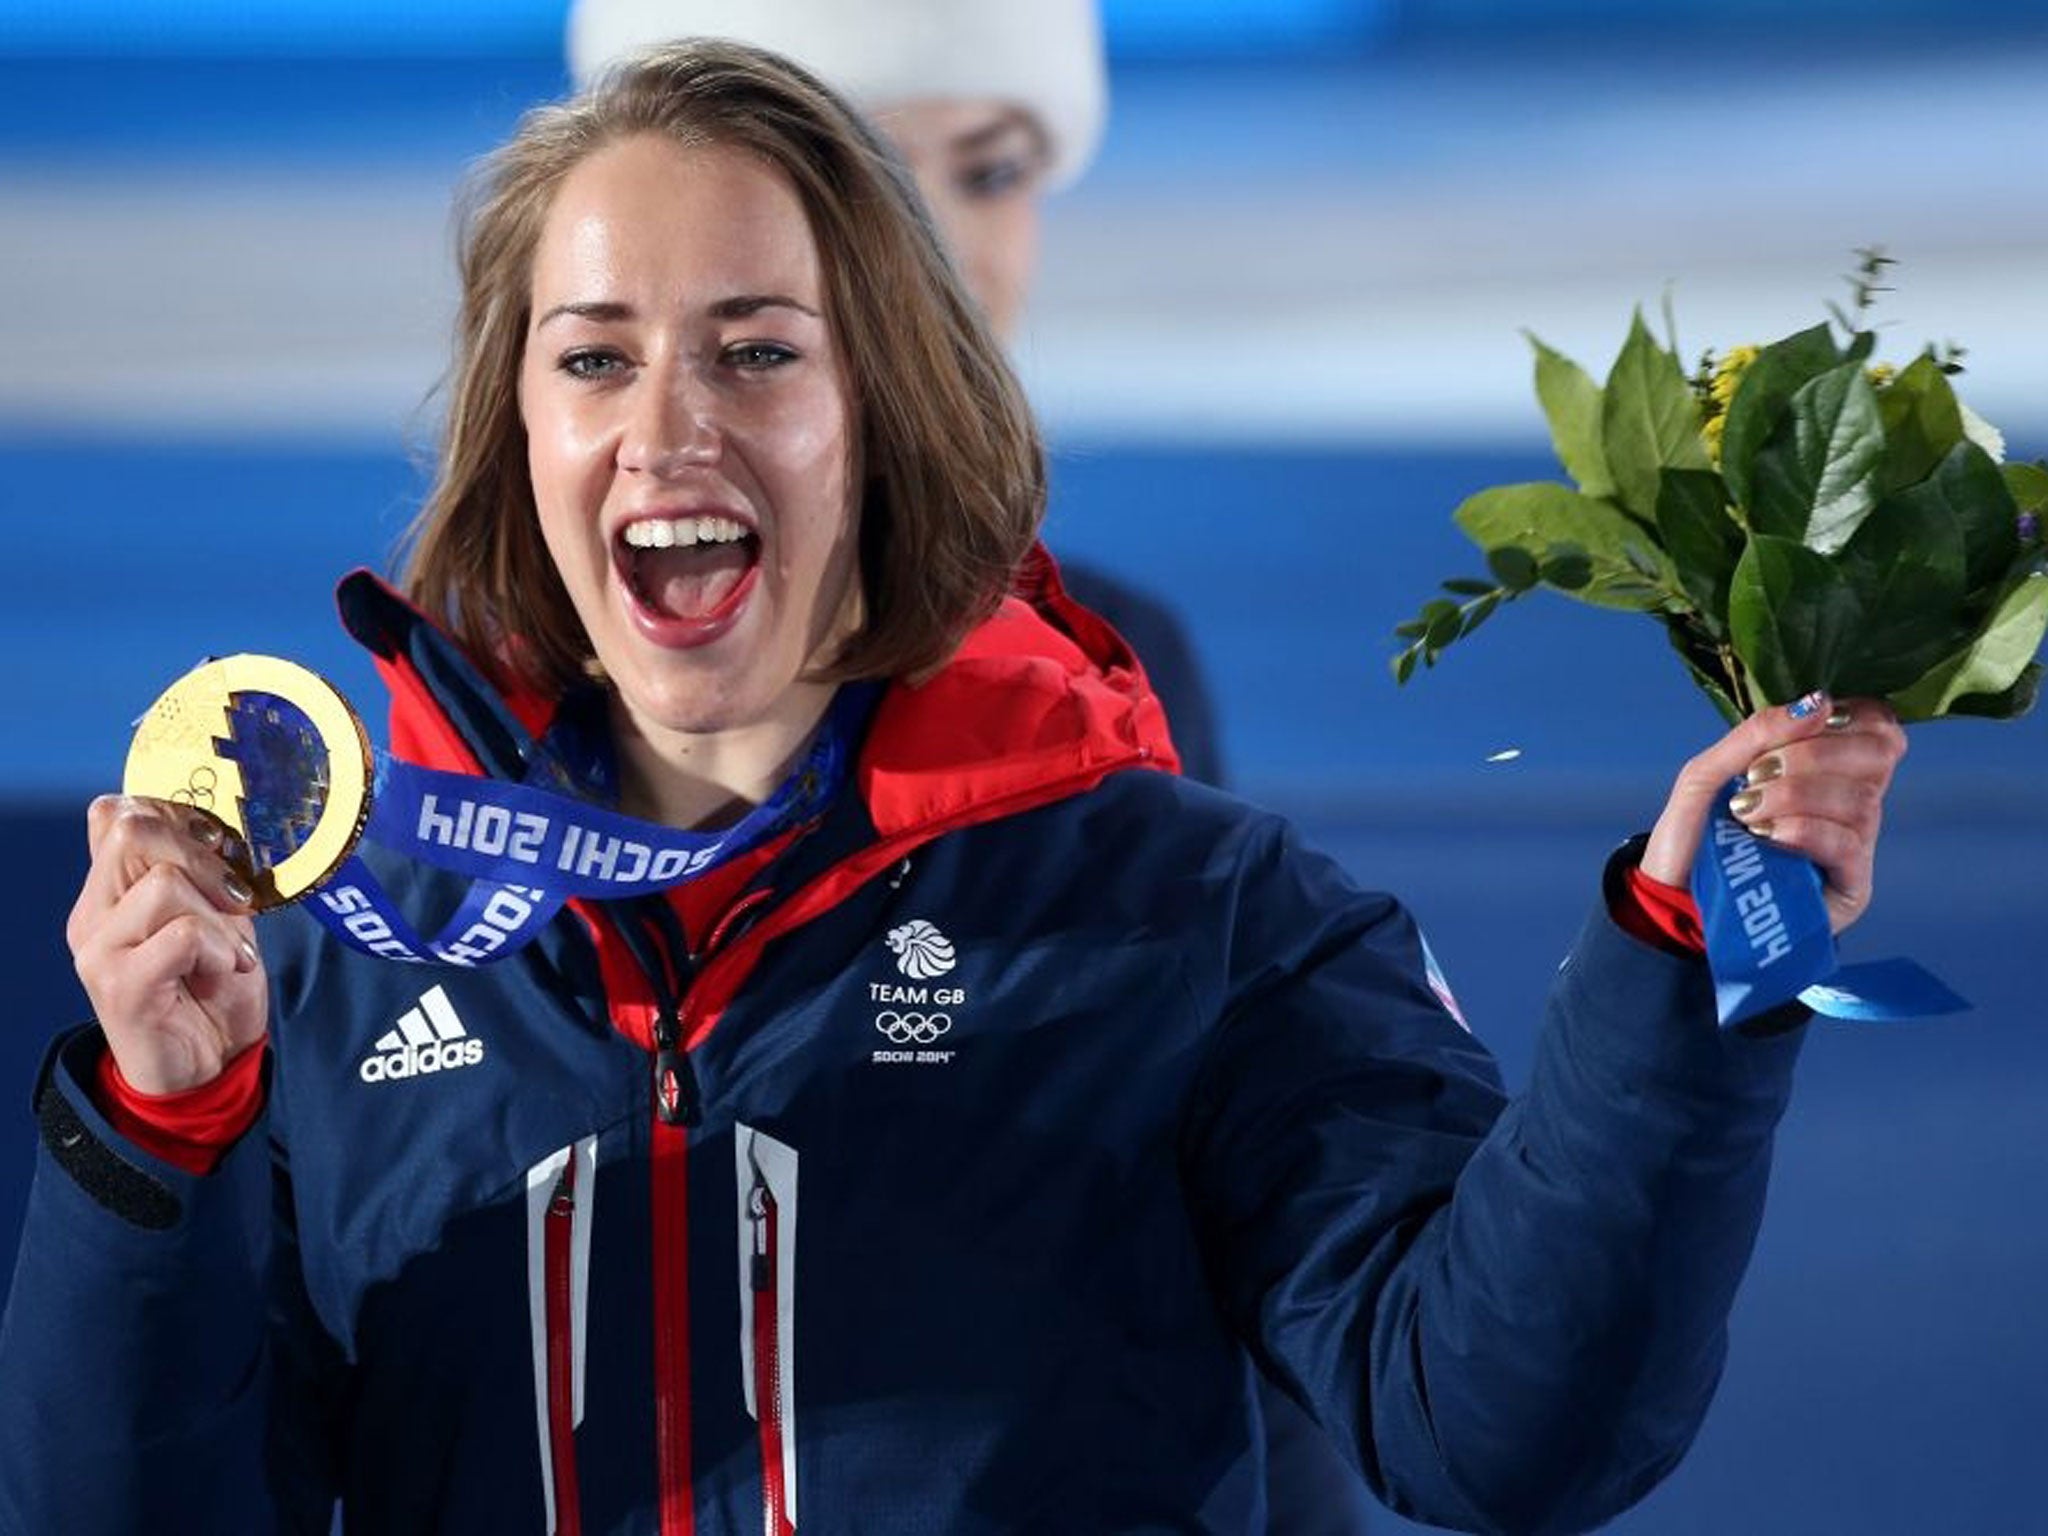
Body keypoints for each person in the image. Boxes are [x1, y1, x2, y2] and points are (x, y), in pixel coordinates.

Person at [0, 41, 1906, 1535]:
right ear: (521, 436)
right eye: (593, 358)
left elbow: (1492, 1432)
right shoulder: (338, 955)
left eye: (757, 352)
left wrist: (1679, 964)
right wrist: (158, 1146)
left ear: (882, 419)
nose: (666, 424)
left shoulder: (1175, 914)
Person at [568, 0, 1227, 789]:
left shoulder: (1115, 659)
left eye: (990, 173)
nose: (939, 249)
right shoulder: (495, 692)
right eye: (861, 186)